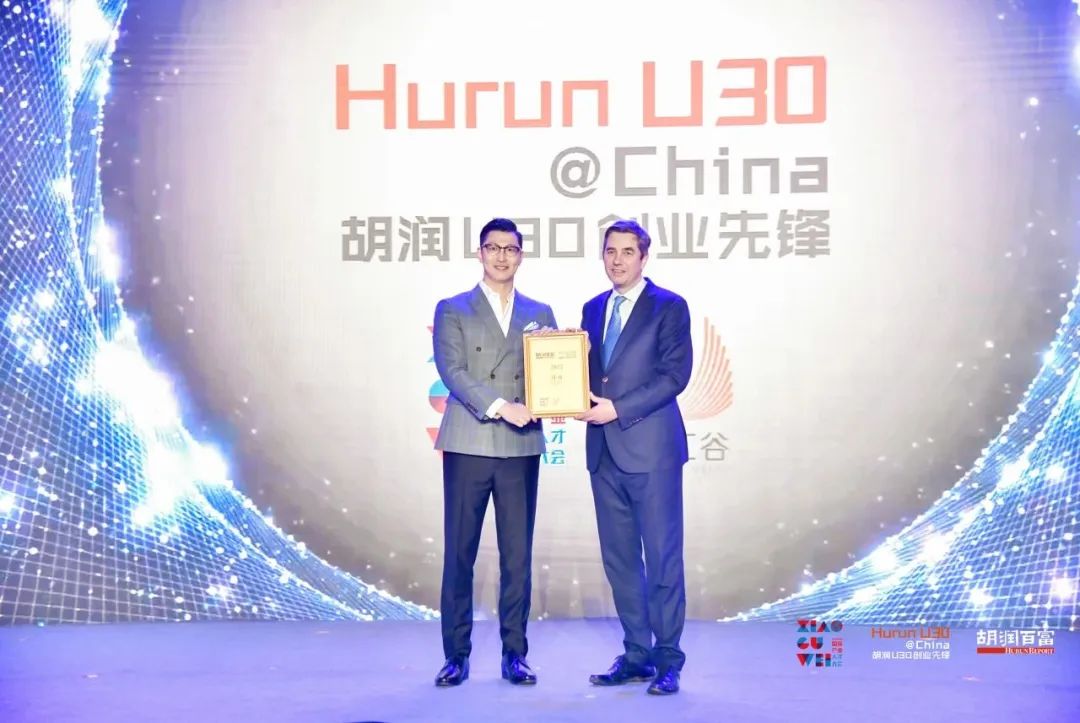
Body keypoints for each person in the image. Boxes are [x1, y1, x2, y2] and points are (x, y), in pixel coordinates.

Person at [431, 218, 557, 687]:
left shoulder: (540, 311)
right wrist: (503, 406)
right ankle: (455, 655)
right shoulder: (453, 308)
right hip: (469, 441)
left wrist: (558, 395)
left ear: (521, 255)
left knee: (517, 557)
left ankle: (515, 654)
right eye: (493, 248)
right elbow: (453, 371)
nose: (502, 256)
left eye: (511, 249)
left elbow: (551, 373)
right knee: (459, 553)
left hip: (521, 445)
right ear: (479, 253)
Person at [576, 219, 693, 695]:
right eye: (610, 251)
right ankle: (637, 655)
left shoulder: (669, 306)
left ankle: (668, 659)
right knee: (620, 561)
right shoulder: (592, 308)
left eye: (627, 251)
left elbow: (674, 376)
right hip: (603, 453)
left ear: (644, 257)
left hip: (652, 453)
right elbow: (588, 375)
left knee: (662, 559)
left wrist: (618, 409)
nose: (617, 260)